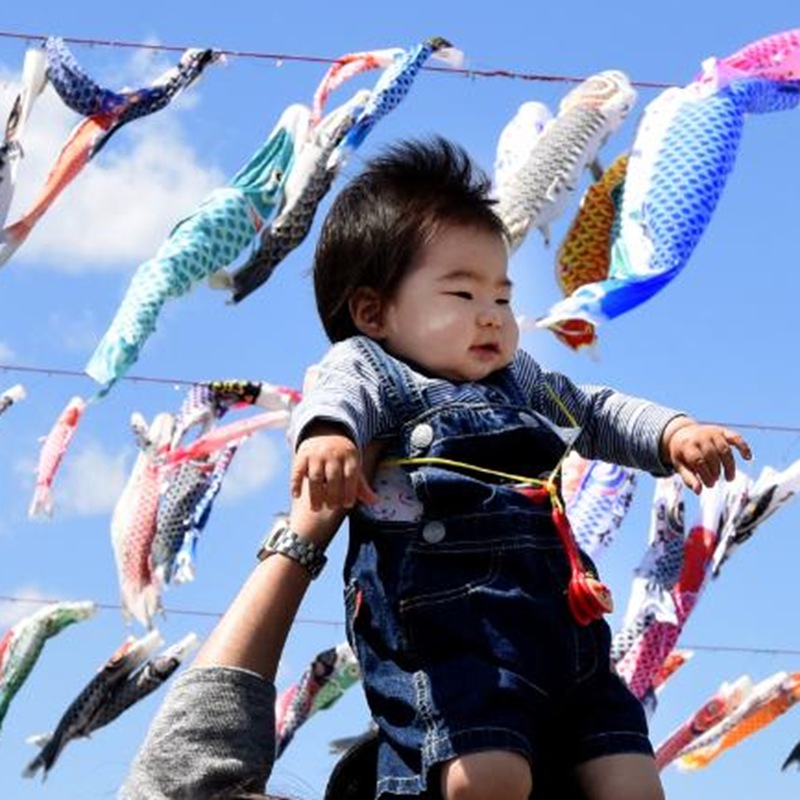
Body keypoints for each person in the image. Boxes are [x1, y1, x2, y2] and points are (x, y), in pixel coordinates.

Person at [282, 136, 752, 800]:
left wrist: (672, 433)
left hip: (565, 630)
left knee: (633, 782)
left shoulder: (520, 382)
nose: (491, 317)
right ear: (373, 312)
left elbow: (593, 413)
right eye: (462, 293)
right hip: (451, 633)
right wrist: (327, 438)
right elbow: (334, 400)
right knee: (485, 778)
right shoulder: (374, 370)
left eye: (501, 298)